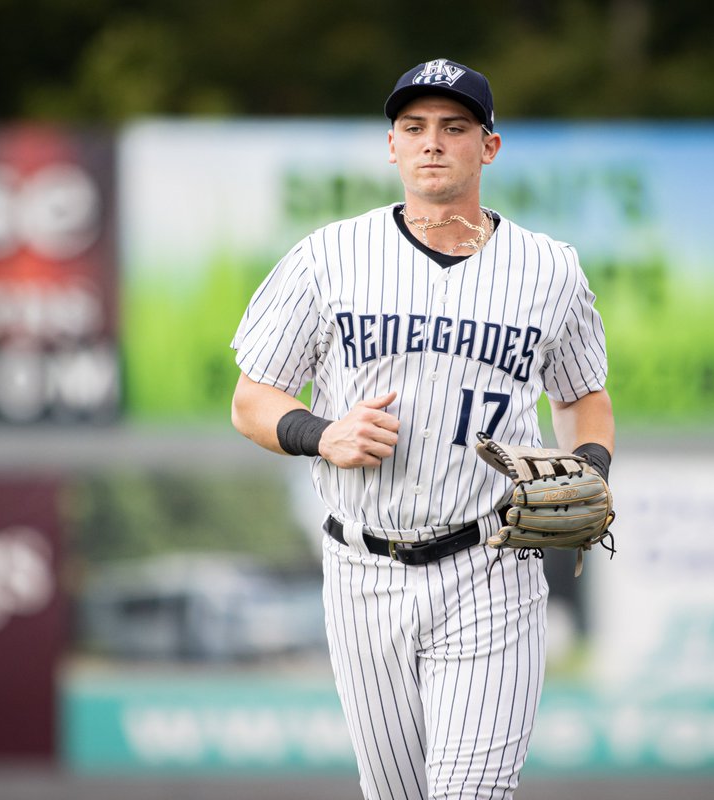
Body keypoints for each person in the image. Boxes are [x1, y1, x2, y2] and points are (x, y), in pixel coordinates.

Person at [231, 57, 614, 800]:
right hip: (360, 570)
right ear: (392, 146)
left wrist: (590, 463)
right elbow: (252, 401)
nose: (432, 142)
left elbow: (584, 396)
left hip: (489, 563)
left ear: (488, 147)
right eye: (414, 128)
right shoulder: (328, 259)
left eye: (453, 127)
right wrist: (319, 433)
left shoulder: (549, 270)